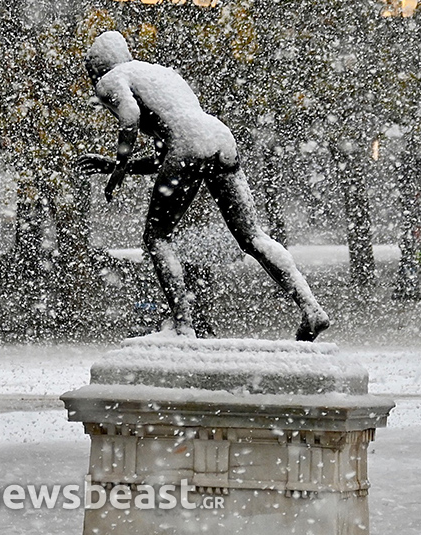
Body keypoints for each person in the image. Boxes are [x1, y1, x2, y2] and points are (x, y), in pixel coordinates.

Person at [78, 31, 329, 341]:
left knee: (156, 237)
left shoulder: (111, 79)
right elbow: (164, 158)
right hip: (219, 138)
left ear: (96, 66)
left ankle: (183, 326)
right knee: (253, 237)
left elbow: (130, 118)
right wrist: (117, 166)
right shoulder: (161, 75)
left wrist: (117, 169)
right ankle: (310, 307)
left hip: (188, 146)